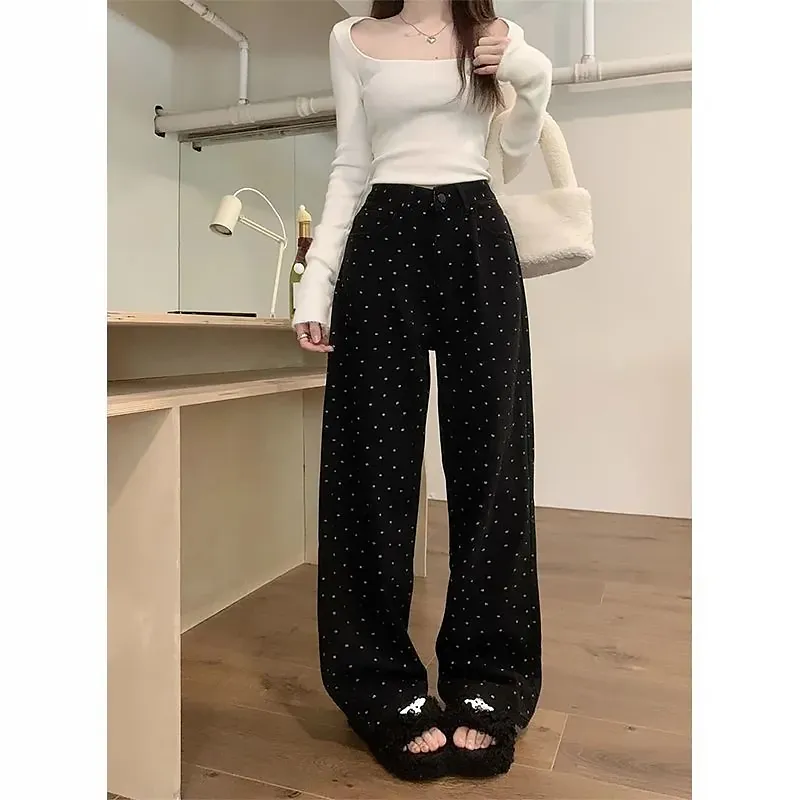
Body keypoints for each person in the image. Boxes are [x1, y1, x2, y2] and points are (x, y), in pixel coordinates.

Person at [292, 0, 552, 782]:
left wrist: (531, 74)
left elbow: (515, 150)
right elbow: (349, 165)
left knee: (492, 469)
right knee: (370, 471)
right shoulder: (351, 39)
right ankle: (378, 685)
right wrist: (316, 283)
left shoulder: (494, 35)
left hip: (476, 231)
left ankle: (488, 680)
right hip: (383, 239)